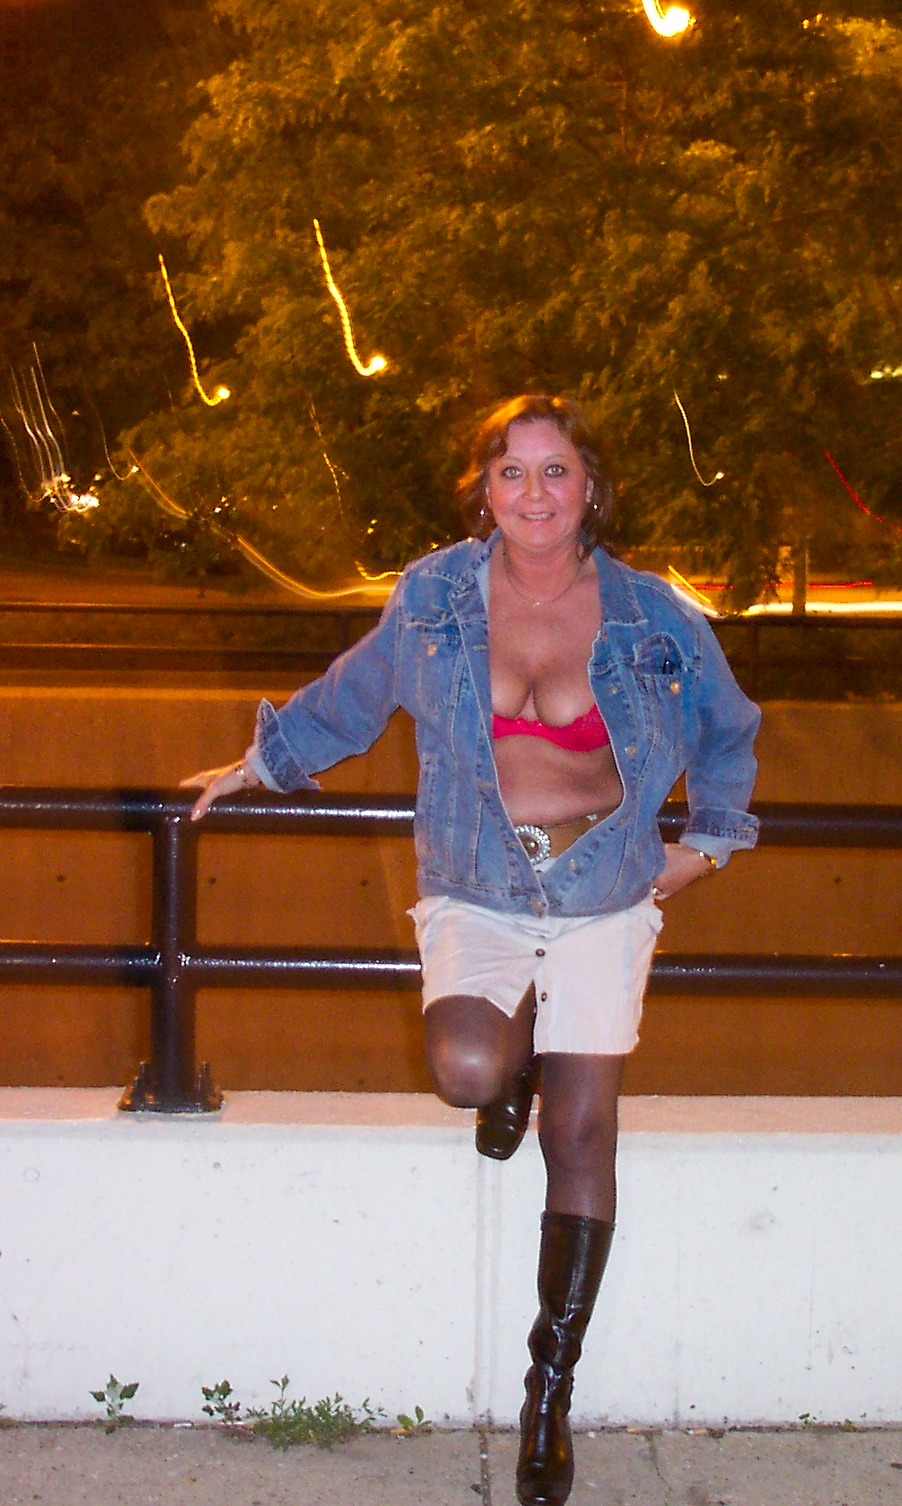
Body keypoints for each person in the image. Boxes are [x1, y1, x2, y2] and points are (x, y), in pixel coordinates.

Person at [183, 392, 760, 1506]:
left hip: (603, 889)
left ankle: (551, 1392)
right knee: (467, 1068)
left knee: (581, 1133)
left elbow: (729, 730)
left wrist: (706, 848)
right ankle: (517, 1051)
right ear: (484, 490)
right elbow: (352, 699)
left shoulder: (653, 614)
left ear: (591, 487)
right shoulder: (434, 596)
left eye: (556, 471)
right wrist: (258, 764)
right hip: (479, 885)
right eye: (511, 472)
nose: (534, 494)